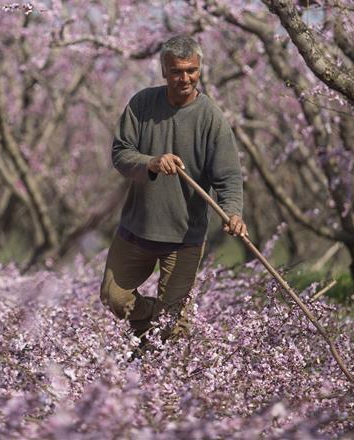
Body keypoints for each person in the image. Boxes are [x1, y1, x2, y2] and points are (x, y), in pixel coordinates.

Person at [100, 35, 247, 351]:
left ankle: (157, 378)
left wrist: (233, 212)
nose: (185, 78)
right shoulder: (142, 105)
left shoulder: (211, 119)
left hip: (184, 238)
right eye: (177, 71)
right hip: (137, 229)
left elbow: (228, 177)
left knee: (172, 332)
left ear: (200, 69)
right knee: (114, 298)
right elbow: (121, 153)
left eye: (191, 71)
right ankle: (152, 316)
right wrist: (151, 162)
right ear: (164, 71)